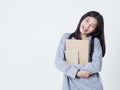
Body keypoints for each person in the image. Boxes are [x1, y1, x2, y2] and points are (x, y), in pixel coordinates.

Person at [55, 11, 106, 90]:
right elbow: (58, 61)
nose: (86, 26)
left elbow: (97, 66)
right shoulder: (66, 37)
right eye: (87, 20)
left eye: (92, 26)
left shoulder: (95, 42)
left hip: (92, 86)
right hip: (70, 86)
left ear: (95, 30)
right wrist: (77, 73)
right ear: (82, 19)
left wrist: (70, 66)